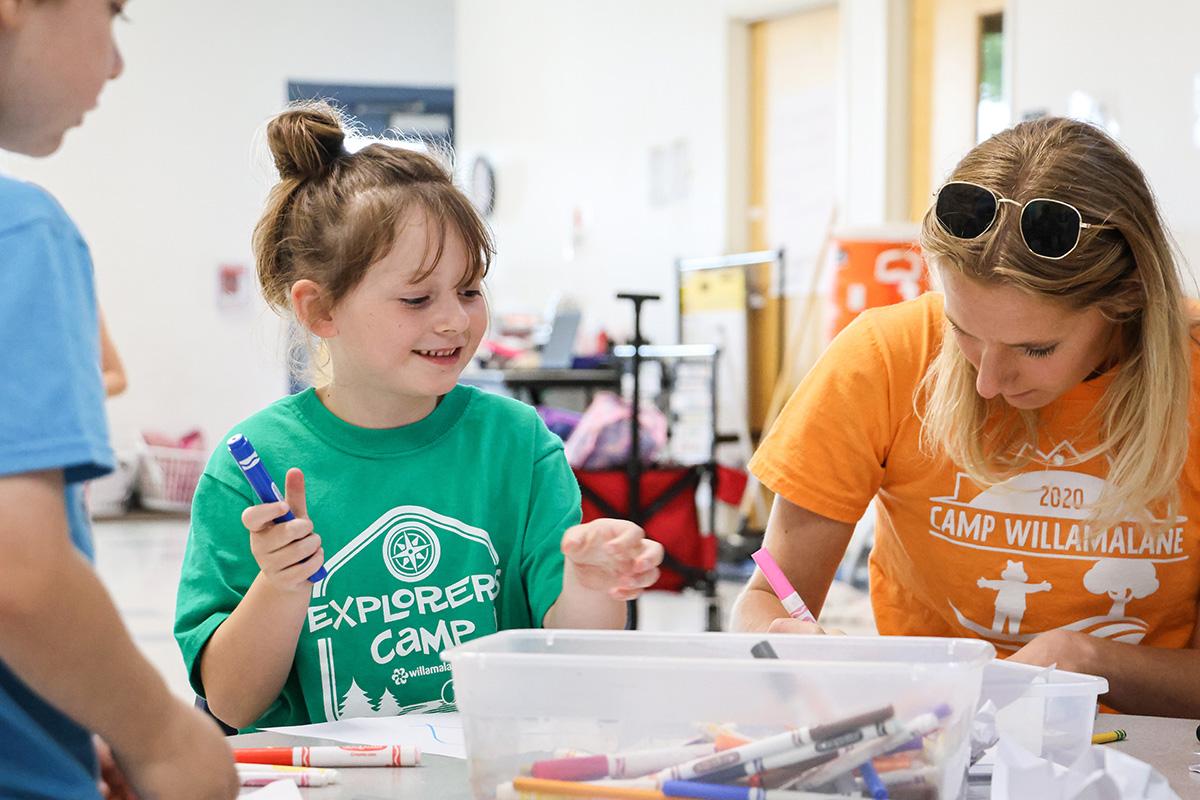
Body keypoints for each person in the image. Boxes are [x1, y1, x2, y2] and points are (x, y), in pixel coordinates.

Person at [175, 102, 664, 731]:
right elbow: (231, 703)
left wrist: (592, 585)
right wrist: (280, 583)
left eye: (470, 290)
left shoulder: (517, 447)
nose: (455, 321)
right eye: (416, 298)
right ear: (320, 311)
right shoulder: (253, 465)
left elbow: (571, 661)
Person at [731, 116, 1200, 717]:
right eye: (962, 331)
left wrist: (1091, 660)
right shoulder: (885, 356)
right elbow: (766, 599)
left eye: (1035, 349)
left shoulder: (1192, 371)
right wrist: (789, 645)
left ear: (1127, 298)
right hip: (933, 731)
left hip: (1141, 745)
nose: (988, 382)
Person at [0, 1, 238, 798]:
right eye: (113, 14)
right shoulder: (20, 230)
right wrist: (159, 735)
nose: (115, 62)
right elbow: (17, 570)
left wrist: (64, 725)